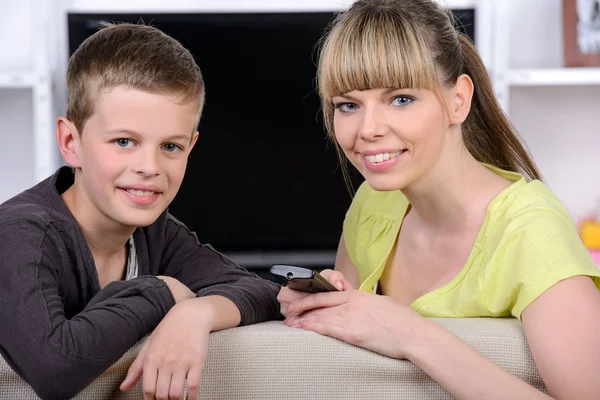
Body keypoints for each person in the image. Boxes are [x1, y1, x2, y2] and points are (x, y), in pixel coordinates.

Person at [277, 1, 600, 399]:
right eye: (348, 105)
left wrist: (412, 335)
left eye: (400, 99)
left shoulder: (529, 229)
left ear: (458, 100)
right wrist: (324, 306)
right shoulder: (374, 205)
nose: (369, 129)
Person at [0, 23, 280, 400]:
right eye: (124, 141)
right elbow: (55, 366)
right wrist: (162, 291)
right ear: (71, 142)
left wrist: (194, 314)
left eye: (170, 147)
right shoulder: (20, 234)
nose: (149, 166)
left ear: (191, 147)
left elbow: (263, 292)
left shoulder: (154, 233)